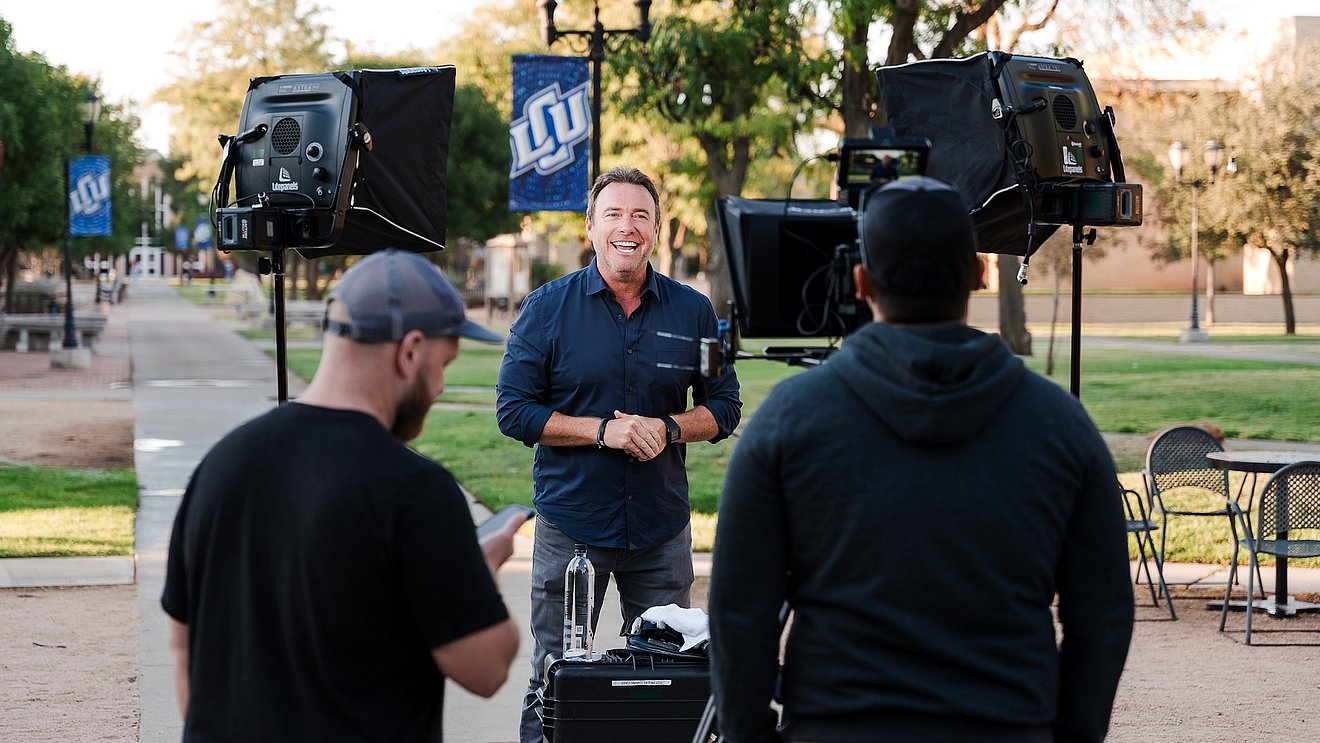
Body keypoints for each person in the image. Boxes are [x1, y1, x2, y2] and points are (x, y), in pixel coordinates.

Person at [708, 177, 1134, 743]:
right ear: (981, 274)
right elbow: (1103, 615)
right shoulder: (1061, 425)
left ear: (862, 283)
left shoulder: (789, 420)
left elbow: (739, 612)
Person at [162, 249, 523, 741]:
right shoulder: (414, 490)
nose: (440, 387)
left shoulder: (222, 464)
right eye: (445, 363)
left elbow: (183, 647)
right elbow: (486, 668)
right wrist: (479, 573)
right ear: (410, 351)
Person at [496, 165, 742, 742]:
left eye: (640, 216)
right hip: (572, 532)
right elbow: (514, 411)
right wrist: (602, 432)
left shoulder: (694, 314)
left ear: (657, 229)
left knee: (669, 681)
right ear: (590, 226)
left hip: (660, 534)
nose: (626, 228)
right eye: (614, 214)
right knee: (555, 679)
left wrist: (669, 426)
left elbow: (724, 404)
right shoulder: (545, 309)